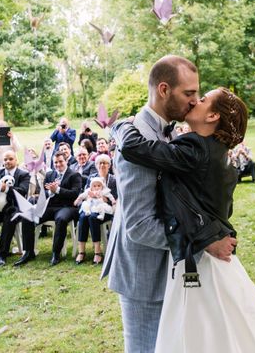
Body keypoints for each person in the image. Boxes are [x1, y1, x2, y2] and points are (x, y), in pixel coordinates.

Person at [112, 87, 255, 352]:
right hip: (206, 258)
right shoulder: (217, 153)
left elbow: (135, 148)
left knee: (198, 331)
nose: (196, 100)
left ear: (212, 116)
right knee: (219, 327)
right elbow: (219, 211)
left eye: (203, 99)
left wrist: (119, 126)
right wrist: (211, 235)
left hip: (199, 261)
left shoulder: (196, 149)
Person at [101, 55, 236, 353]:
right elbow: (139, 227)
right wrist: (203, 242)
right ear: (164, 89)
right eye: (188, 94)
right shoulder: (136, 139)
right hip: (144, 275)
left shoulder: (173, 132)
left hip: (172, 272)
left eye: (197, 95)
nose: (194, 101)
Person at [14, 151, 83, 267]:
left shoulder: (74, 175)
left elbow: (75, 194)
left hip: (67, 207)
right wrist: (49, 192)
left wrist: (58, 190)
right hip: (49, 206)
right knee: (28, 216)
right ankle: (29, 252)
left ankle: (56, 253)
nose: (58, 164)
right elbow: (43, 193)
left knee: (61, 219)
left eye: (60, 161)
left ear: (66, 161)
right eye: (55, 162)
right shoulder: (50, 175)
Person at [0, 151, 30, 268]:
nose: (7, 161)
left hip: (14, 207)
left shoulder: (23, 174)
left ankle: (2, 254)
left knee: (10, 218)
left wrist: (6, 189)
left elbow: (22, 192)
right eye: (5, 159)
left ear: (16, 160)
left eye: (10, 159)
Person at [74, 175, 117, 265]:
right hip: (90, 208)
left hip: (103, 210)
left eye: (105, 163)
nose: (102, 165)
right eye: (100, 163)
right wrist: (85, 198)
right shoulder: (91, 178)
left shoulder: (113, 180)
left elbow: (114, 198)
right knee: (83, 217)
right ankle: (81, 251)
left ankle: (97, 251)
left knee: (93, 218)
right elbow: (83, 195)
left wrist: (105, 199)